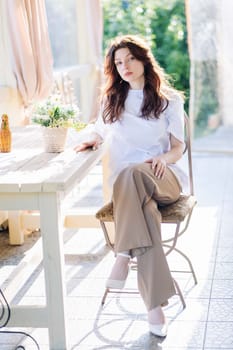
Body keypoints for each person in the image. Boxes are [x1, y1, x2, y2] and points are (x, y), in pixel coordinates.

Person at [74, 34, 188, 337]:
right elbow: (98, 131)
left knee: (131, 173)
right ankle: (155, 308)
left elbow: (179, 148)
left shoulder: (169, 100)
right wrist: (91, 139)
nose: (124, 66)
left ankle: (122, 253)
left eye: (130, 59)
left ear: (143, 60)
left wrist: (164, 157)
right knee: (145, 211)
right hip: (131, 194)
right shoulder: (111, 101)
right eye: (118, 62)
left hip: (163, 177)